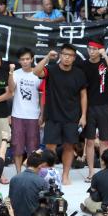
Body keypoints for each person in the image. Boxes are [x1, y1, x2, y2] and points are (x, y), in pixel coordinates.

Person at [34, 45, 88, 185]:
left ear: (74, 58)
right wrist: (47, 57)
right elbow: (36, 71)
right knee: (50, 147)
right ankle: (48, 175)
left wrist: (83, 116)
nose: (67, 57)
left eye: (70, 55)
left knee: (69, 146)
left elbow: (83, 95)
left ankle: (65, 175)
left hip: (72, 116)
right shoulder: (51, 70)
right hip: (53, 115)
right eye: (64, 54)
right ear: (60, 55)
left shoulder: (79, 73)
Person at [81, 39, 108, 181]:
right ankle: (91, 171)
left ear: (100, 50)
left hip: (105, 105)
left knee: (104, 141)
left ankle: (103, 170)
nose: (92, 51)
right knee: (89, 141)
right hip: (89, 106)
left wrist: (106, 56)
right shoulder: (83, 65)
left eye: (95, 49)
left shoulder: (104, 63)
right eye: (90, 48)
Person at [9, 47, 42, 173]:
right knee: (17, 146)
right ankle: (18, 173)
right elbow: (11, 89)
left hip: (34, 115)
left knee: (33, 148)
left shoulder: (38, 74)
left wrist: (42, 115)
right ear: (19, 61)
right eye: (22, 59)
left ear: (32, 59)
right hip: (17, 114)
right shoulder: (16, 73)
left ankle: (31, 172)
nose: (25, 61)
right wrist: (11, 73)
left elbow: (43, 95)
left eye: (28, 59)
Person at [8, 151, 48, 216]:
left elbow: (10, 201)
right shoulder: (42, 182)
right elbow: (45, 205)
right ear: (40, 166)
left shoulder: (13, 179)